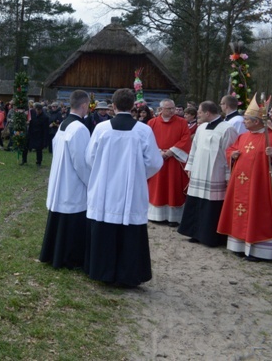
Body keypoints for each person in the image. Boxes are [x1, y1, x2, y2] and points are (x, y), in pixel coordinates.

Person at [84, 88, 163, 287]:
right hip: (131, 191)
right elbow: (154, 162)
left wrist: (103, 171)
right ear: (133, 107)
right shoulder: (144, 130)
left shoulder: (101, 129)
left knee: (105, 229)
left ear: (114, 106)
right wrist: (137, 175)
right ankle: (129, 275)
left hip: (104, 190)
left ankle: (102, 271)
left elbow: (89, 157)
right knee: (130, 232)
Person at [217, 96, 272, 261]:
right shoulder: (243, 136)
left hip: (261, 186)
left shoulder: (271, 137)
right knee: (240, 211)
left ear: (257, 121)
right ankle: (239, 245)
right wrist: (232, 155)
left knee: (259, 213)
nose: (244, 123)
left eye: (247, 120)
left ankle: (260, 251)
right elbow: (231, 149)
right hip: (240, 185)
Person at [40, 90, 91, 270]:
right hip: (72, 181)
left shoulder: (64, 123)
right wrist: (90, 182)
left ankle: (54, 253)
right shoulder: (79, 128)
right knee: (71, 219)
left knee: (60, 219)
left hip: (62, 178)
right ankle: (70, 258)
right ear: (84, 105)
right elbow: (81, 162)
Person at [178, 101, 238, 247]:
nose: (197, 114)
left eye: (199, 112)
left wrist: (227, 175)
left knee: (211, 205)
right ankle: (195, 232)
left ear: (207, 113)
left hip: (215, 173)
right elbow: (195, 148)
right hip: (198, 171)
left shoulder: (227, 129)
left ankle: (209, 236)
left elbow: (227, 154)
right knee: (196, 202)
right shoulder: (201, 127)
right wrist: (190, 167)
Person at [147, 99, 191, 227]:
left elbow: (185, 139)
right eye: (168, 108)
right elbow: (147, 140)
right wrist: (159, 152)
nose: (172, 111)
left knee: (173, 187)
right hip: (157, 159)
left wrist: (170, 152)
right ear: (161, 109)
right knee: (157, 187)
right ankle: (155, 215)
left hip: (174, 160)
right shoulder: (152, 123)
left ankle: (173, 217)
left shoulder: (182, 123)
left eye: (173, 108)